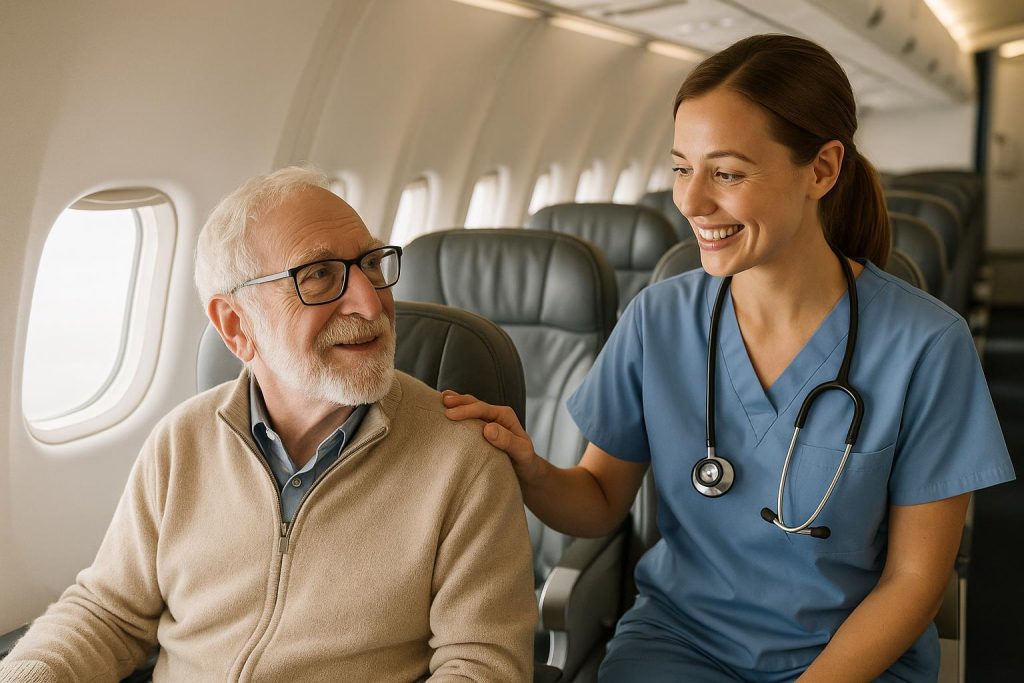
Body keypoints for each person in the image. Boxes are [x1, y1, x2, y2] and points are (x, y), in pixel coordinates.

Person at [444, 35, 1015, 682]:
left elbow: (914, 582)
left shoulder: (928, 345)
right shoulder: (658, 320)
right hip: (679, 644)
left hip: (852, 659)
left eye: (727, 173)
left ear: (823, 170)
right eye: (682, 167)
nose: (690, 202)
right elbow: (601, 500)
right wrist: (531, 468)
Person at [0, 167, 536, 682]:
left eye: (372, 263)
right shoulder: (181, 441)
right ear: (237, 326)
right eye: (320, 274)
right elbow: (108, 613)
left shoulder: (464, 459)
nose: (371, 302)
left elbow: (481, 665)